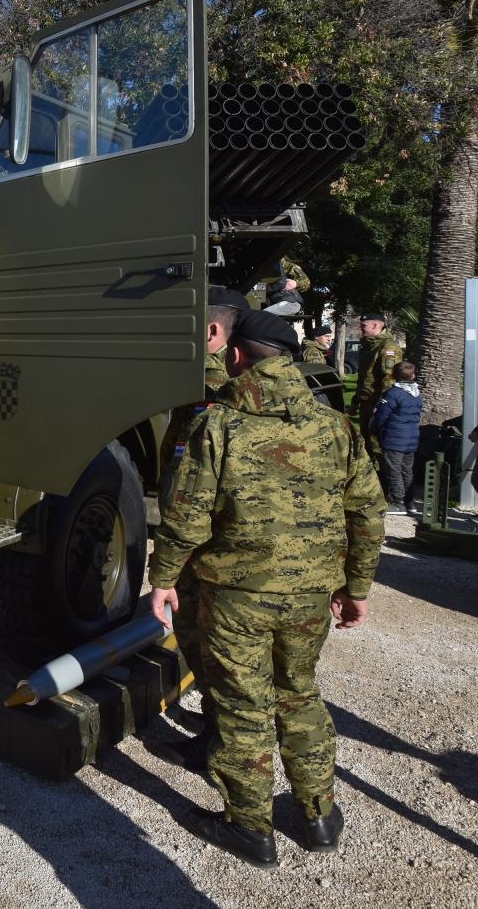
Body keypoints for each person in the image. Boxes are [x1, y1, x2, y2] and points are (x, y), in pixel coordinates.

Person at [149, 309, 384, 867]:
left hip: (235, 598)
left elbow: (187, 516)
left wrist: (163, 579)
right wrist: (357, 588)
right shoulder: (335, 427)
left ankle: (250, 828)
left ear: (236, 356)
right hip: (310, 597)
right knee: (299, 692)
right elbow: (368, 513)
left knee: (243, 706)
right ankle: (319, 817)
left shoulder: (218, 425)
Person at [158, 284, 249, 772]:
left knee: (207, 642)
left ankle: (224, 750)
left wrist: (167, 567)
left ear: (212, 331)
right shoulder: (240, 379)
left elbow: (193, 483)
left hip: (206, 543)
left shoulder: (211, 385)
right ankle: (220, 731)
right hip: (228, 540)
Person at [371, 360, 421, 516]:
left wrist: (375, 429)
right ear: (412, 376)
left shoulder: (393, 393)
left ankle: (398, 502)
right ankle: (409, 501)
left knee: (393, 470)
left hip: (394, 438)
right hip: (411, 439)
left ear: (393, 375)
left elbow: (381, 415)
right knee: (407, 470)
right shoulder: (417, 394)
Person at [354, 312, 401, 464]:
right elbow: (363, 378)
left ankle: (384, 475)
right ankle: (369, 474)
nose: (361, 328)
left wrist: (382, 404)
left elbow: (390, 379)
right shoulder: (368, 346)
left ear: (375, 326)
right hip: (365, 401)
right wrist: (356, 401)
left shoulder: (388, 347)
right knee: (366, 442)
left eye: (364, 326)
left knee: (378, 444)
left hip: (377, 403)